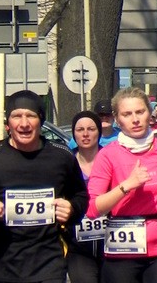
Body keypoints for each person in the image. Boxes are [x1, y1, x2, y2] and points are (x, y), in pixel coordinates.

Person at [0, 89, 88, 283]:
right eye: (17, 116)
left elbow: (81, 196)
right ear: (8, 123)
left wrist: (72, 209)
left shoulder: (62, 156)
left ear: (41, 120)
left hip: (49, 267)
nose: (24, 124)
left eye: (31, 116)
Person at [86, 87, 157, 283]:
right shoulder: (107, 155)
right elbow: (93, 209)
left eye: (140, 112)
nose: (135, 119)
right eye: (127, 114)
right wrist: (126, 186)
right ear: (117, 119)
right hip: (122, 249)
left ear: (150, 114)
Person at [67, 110, 104, 283]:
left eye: (91, 129)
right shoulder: (65, 162)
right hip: (77, 246)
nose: (85, 134)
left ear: (99, 132)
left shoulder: (112, 158)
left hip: (111, 242)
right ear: (74, 133)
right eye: (80, 129)